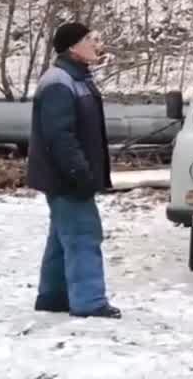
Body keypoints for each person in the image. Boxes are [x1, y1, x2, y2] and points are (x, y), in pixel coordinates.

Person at [26, 22, 122, 319]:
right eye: (90, 39)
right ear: (72, 47)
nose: (97, 43)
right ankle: (90, 302)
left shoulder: (75, 77)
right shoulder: (60, 81)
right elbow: (59, 137)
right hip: (66, 177)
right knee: (83, 235)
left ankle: (54, 297)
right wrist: (79, 173)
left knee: (62, 236)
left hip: (65, 176)